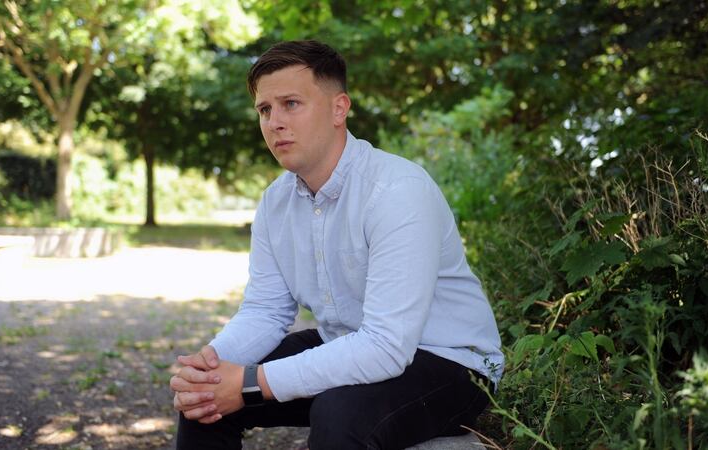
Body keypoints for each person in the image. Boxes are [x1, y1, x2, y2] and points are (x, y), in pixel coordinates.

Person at [170, 39, 504, 450]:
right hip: (348, 342)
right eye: (264, 109)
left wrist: (251, 382)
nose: (274, 121)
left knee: (339, 413)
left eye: (291, 103)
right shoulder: (276, 202)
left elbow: (386, 346)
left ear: (338, 109)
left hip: (448, 363)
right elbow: (265, 310)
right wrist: (210, 365)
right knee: (204, 401)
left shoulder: (397, 190)